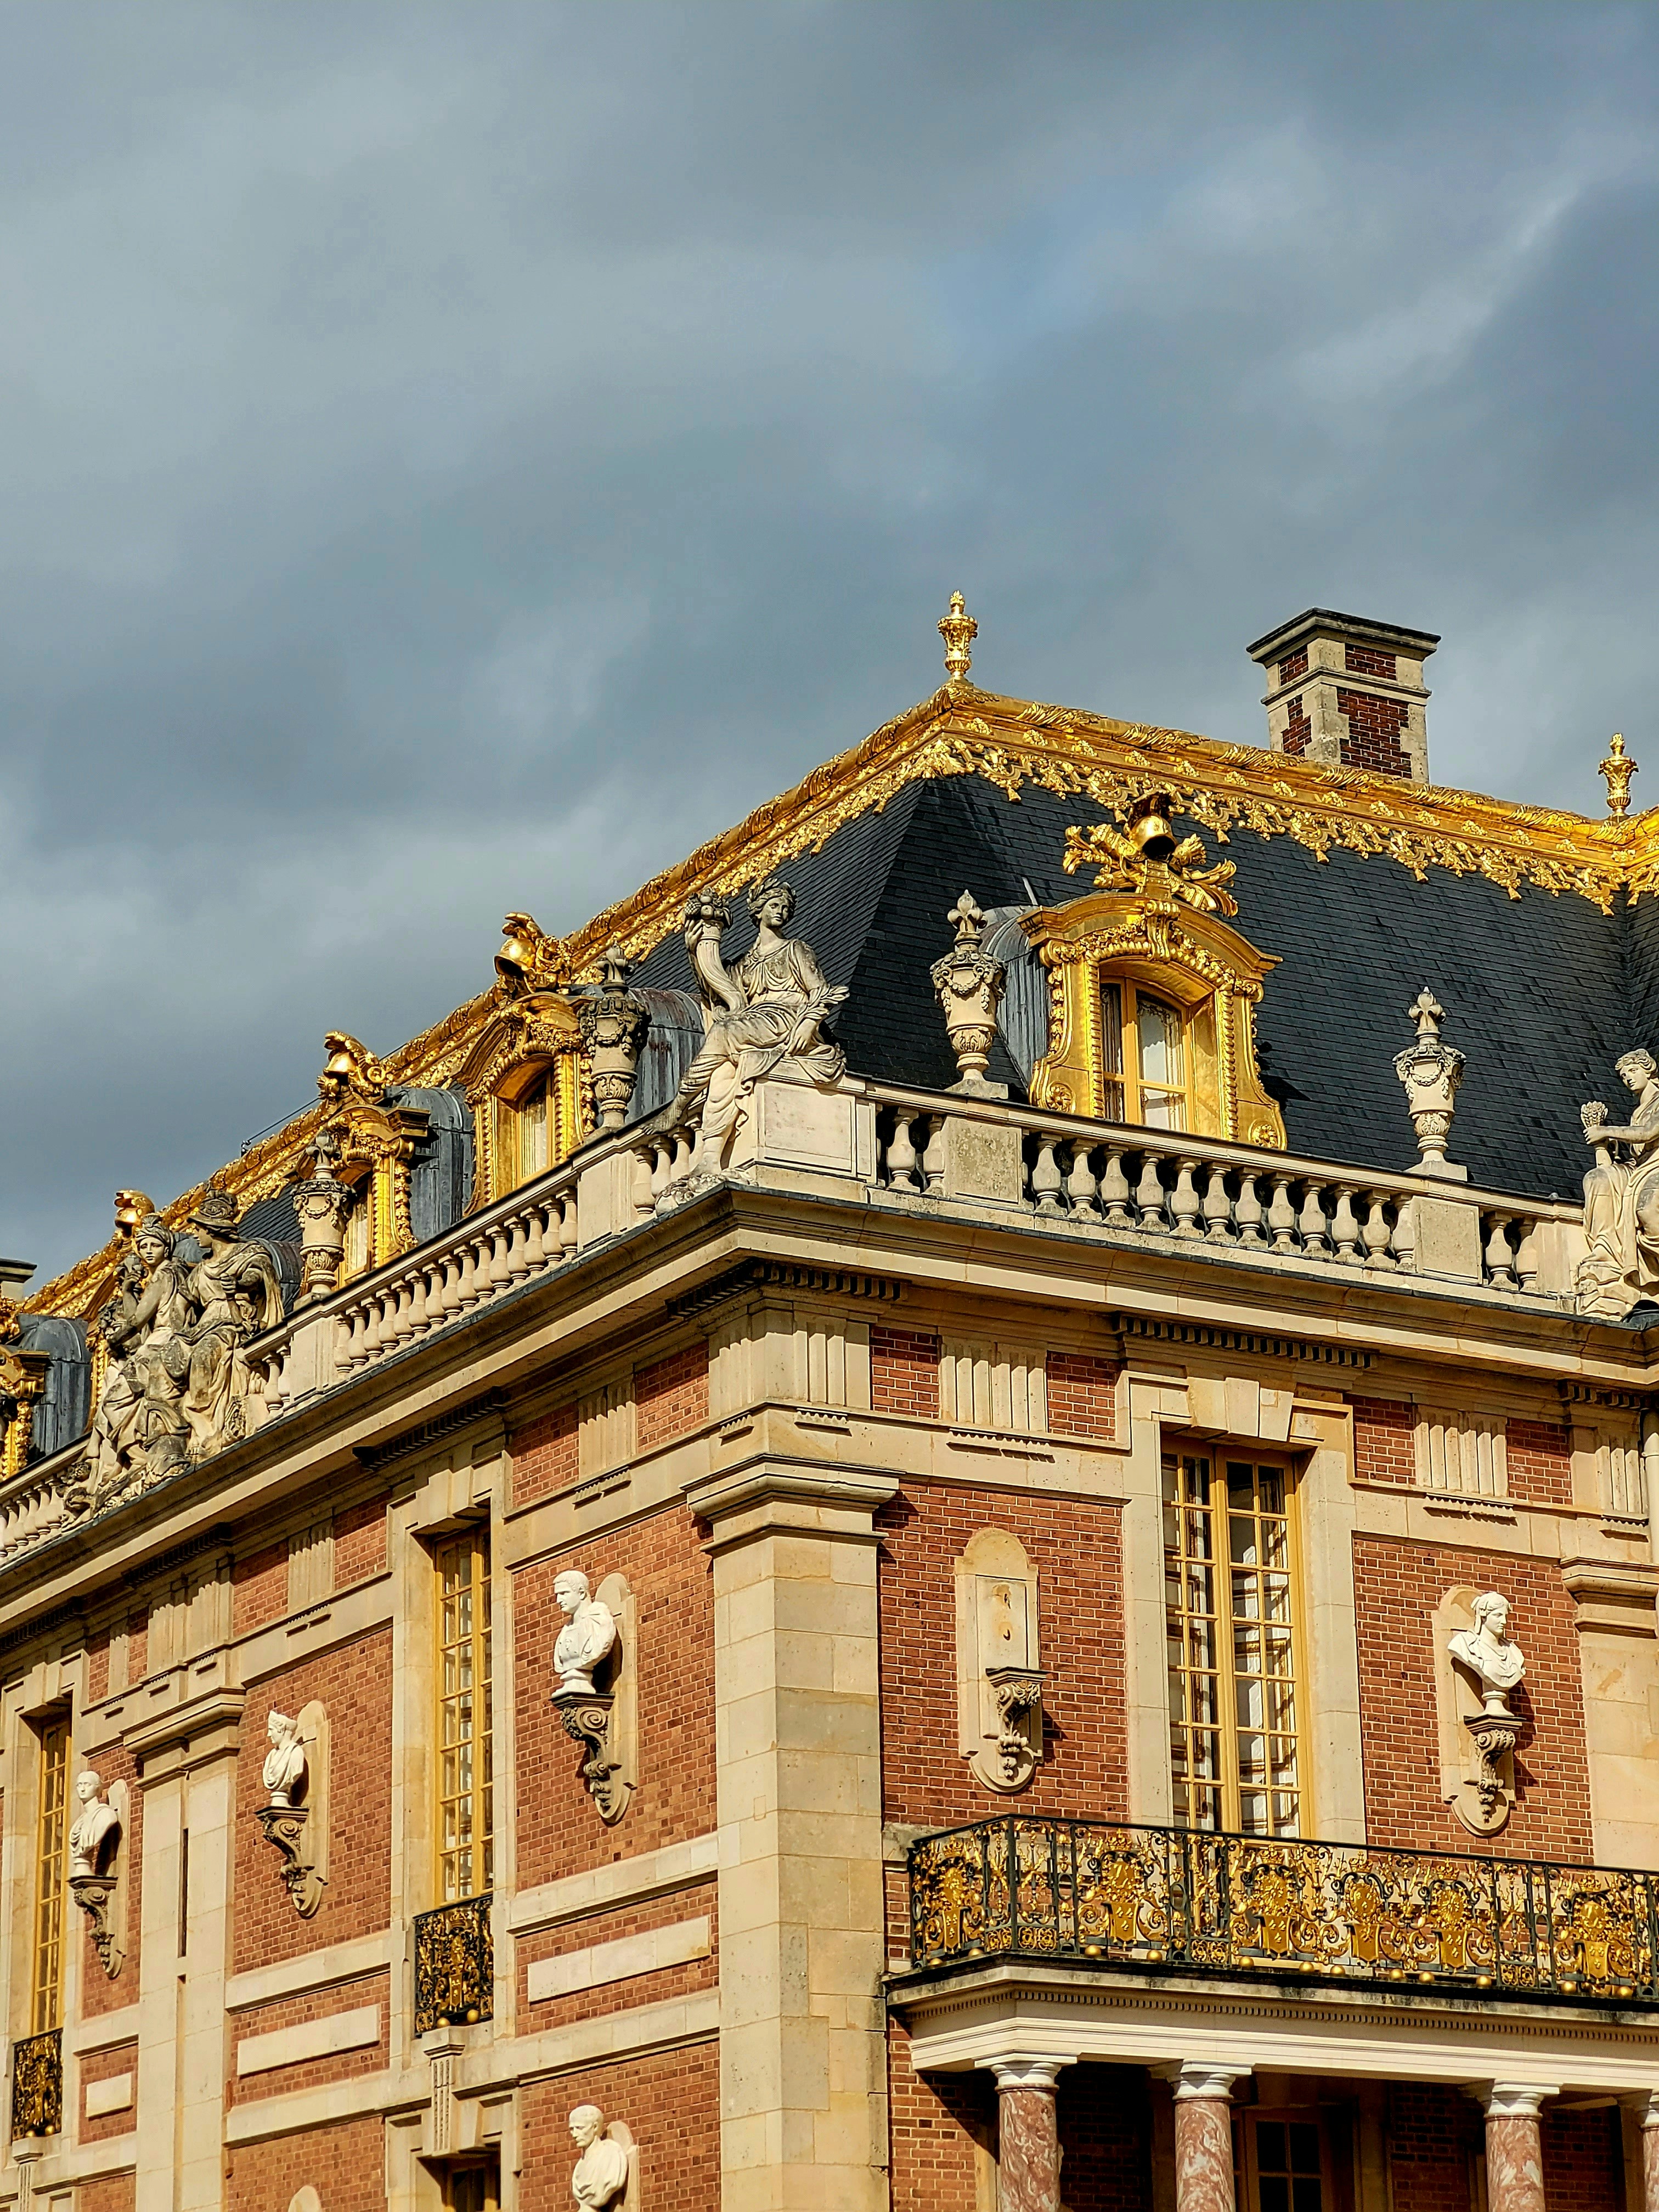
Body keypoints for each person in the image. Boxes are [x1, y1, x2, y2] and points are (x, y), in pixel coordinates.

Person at [675, 879, 847, 1167]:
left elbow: (820, 991)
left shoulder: (795, 950)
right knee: (723, 1075)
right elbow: (715, 993)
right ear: (759, 910)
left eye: (785, 907)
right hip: (756, 1024)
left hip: (787, 1018)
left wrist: (807, 1025)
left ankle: (680, 1101)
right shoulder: (745, 963)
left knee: (723, 1031)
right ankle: (710, 1158)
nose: (780, 911)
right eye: (774, 905)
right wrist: (695, 952)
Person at [171, 1190, 285, 1463]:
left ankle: (206, 1429)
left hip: (231, 1320)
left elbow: (259, 1274)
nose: (196, 1234)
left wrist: (240, 1284)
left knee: (202, 1359)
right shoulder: (201, 1269)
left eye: (199, 1229)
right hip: (203, 1326)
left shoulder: (246, 1253)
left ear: (213, 1229)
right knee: (166, 1364)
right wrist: (178, 1327)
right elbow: (182, 1305)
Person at [1577, 1049, 1659, 1319]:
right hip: (1639, 1168)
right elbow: (1635, 1148)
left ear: (1649, 1070)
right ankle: (1605, 1252)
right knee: (1598, 1178)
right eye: (1624, 1076)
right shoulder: (1637, 1112)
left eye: (1633, 1072)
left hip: (1656, 1167)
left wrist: (1606, 1131)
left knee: (1647, 1209)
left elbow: (1648, 1134)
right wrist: (1605, 1147)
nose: (1628, 1079)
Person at [1448, 1590, 1526, 1714]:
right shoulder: (1464, 1644)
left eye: (1505, 1616)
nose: (1504, 1622)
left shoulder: (1513, 1652)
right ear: (1483, 1616)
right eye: (1498, 1615)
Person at [553, 1572, 618, 1694]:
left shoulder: (599, 1621)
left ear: (581, 1593)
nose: (558, 1600)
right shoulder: (565, 1632)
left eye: (564, 1593)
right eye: (557, 1595)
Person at [568, 2106, 629, 2209]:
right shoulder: (579, 2167)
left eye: (579, 2128)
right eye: (572, 2129)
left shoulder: (611, 2154)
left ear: (595, 2127)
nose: (574, 2135)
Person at [67, 1771, 120, 1879]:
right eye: (79, 1785)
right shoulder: (80, 1821)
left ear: (97, 1788)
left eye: (87, 1784)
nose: (82, 1789)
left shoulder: (105, 1815)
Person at [262, 1711, 307, 1807]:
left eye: (271, 1730)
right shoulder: (271, 1756)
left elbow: (296, 1771)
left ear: (281, 1730)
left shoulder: (295, 1753)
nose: (269, 1735)